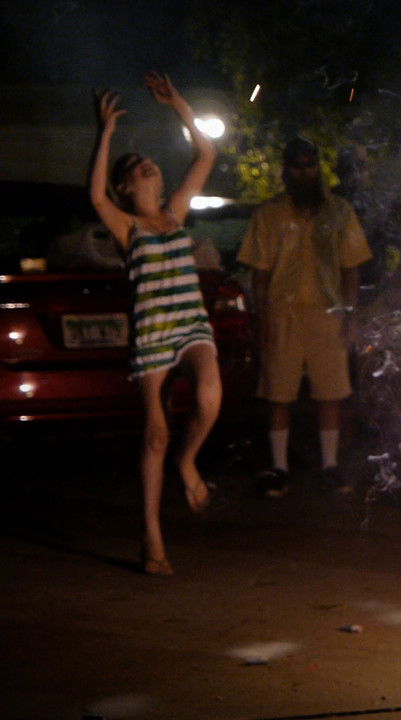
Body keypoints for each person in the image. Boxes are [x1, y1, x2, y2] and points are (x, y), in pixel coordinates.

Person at [88, 73, 221, 576]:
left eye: (147, 163)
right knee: (154, 435)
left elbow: (205, 156)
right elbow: (97, 197)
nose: (144, 165)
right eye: (133, 167)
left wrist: (179, 105)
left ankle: (188, 463)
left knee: (209, 395)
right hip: (151, 334)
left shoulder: (175, 212)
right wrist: (106, 134)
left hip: (190, 325)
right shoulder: (128, 226)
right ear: (126, 187)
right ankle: (152, 537)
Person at [238, 137, 372, 497]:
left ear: (318, 168)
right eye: (296, 165)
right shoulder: (268, 214)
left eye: (309, 165)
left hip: (328, 315)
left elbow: (352, 268)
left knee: (331, 393)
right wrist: (262, 321)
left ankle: (329, 465)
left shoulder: (339, 212)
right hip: (283, 314)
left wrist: (349, 314)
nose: (304, 171)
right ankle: (279, 467)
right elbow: (260, 274)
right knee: (278, 393)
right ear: (286, 170)